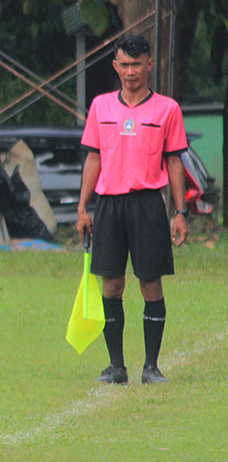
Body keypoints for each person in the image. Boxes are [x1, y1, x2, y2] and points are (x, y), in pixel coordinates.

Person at [76, 33, 189, 385]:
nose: (130, 72)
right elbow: (93, 158)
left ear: (149, 65)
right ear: (115, 65)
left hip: (147, 205)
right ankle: (116, 367)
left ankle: (151, 367)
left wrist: (180, 211)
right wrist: (83, 207)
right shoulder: (100, 107)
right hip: (109, 205)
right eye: (124, 64)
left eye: (137, 64)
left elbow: (174, 163)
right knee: (111, 285)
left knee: (150, 284)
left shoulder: (167, 109)